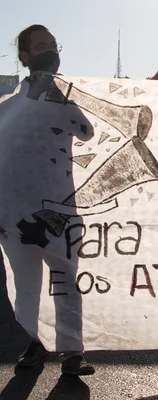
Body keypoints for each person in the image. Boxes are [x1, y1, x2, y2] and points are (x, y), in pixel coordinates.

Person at [0, 24, 95, 376]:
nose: (49, 51)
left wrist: (57, 94)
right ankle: (34, 345)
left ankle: (72, 354)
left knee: (66, 283)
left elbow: (87, 132)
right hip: (15, 216)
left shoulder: (63, 102)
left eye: (53, 45)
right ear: (24, 56)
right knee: (25, 286)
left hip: (59, 211)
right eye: (40, 46)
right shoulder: (6, 110)